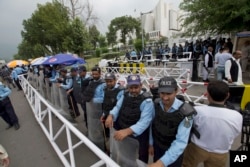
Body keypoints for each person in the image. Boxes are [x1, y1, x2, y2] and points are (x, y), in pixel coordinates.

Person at [182, 81, 243, 167]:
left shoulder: (197, 110)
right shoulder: (237, 116)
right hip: (221, 151)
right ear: (227, 95)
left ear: (208, 95)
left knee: (187, 165)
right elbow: (235, 132)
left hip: (197, 147)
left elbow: (186, 125)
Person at [105, 74, 154, 164]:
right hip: (125, 128)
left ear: (141, 86)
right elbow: (118, 107)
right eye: (131, 88)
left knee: (141, 157)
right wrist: (111, 115)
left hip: (139, 135)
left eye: (136, 87)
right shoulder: (125, 95)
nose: (133, 90)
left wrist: (127, 131)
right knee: (126, 153)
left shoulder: (147, 101)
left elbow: (144, 122)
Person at [148, 76, 196, 167]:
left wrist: (161, 162)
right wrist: (151, 144)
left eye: (169, 93)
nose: (165, 98)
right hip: (158, 147)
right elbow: (153, 125)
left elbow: (181, 142)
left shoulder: (188, 114)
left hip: (174, 153)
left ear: (176, 91)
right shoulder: (156, 104)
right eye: (162, 93)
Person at [82, 66, 106, 151]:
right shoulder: (91, 82)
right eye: (93, 74)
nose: (94, 76)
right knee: (93, 124)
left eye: (96, 74)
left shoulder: (103, 84)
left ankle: (102, 145)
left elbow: (103, 98)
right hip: (91, 108)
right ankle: (93, 138)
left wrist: (92, 99)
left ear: (100, 74)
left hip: (99, 108)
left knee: (100, 126)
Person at [101, 73, 124, 153]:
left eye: (110, 81)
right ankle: (110, 150)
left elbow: (119, 106)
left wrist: (111, 116)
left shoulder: (120, 91)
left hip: (116, 118)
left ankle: (117, 152)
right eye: (107, 81)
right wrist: (103, 114)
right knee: (108, 135)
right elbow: (105, 103)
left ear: (115, 80)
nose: (108, 83)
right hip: (107, 116)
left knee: (116, 136)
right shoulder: (106, 89)